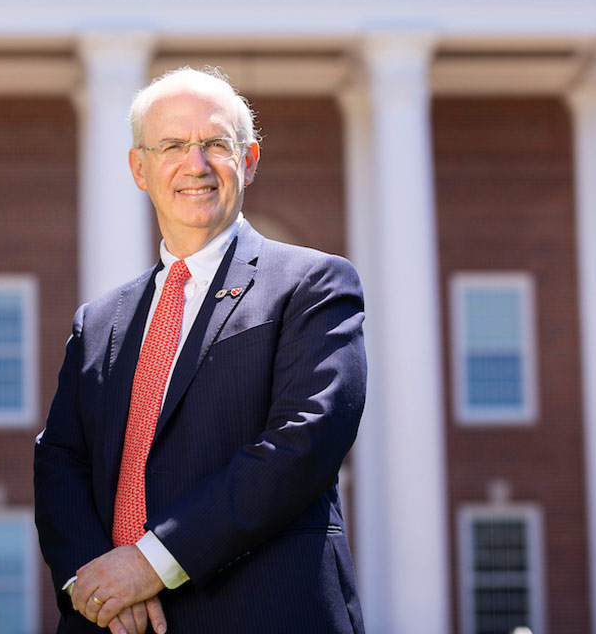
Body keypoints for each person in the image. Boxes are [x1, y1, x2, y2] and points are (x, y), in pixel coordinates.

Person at [34, 67, 367, 634]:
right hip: (112, 623)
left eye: (216, 144)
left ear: (250, 160)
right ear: (139, 168)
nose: (196, 165)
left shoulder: (313, 285)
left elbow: (303, 441)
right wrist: (95, 581)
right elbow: (60, 461)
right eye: (172, 146)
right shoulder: (99, 322)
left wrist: (153, 561)